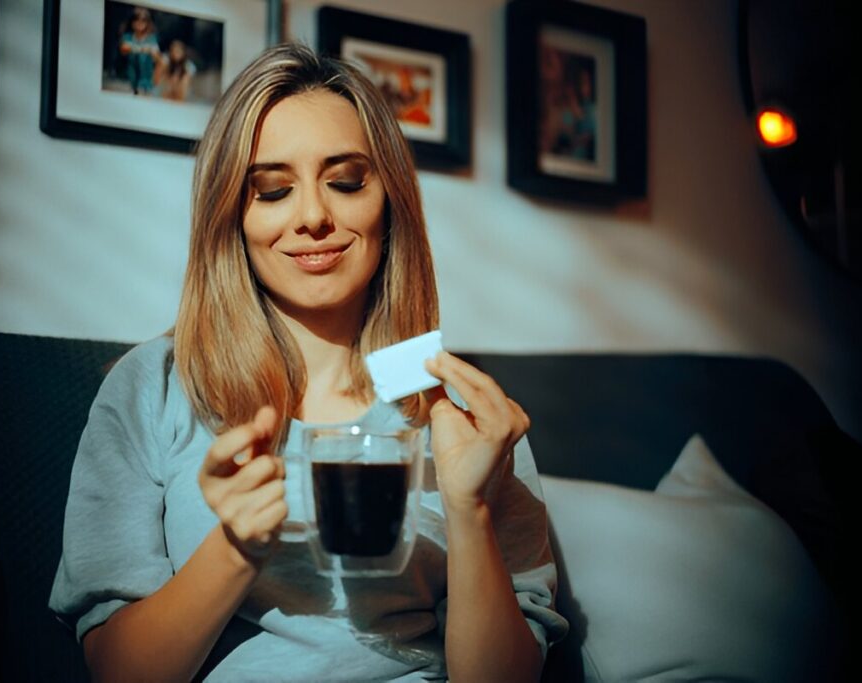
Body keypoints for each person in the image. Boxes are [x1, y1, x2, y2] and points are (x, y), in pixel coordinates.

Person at [49, 43, 569, 681]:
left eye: (346, 181)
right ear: (231, 216)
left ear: (389, 203)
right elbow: (118, 673)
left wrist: (470, 511)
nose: (314, 216)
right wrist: (237, 549)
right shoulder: (153, 387)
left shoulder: (461, 411)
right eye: (271, 190)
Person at [119, 6, 161, 95]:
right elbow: (124, 49)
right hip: (129, 75)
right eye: (136, 20)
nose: (139, 23)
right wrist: (143, 49)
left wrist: (152, 52)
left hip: (146, 77)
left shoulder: (151, 38)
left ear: (147, 23)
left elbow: (157, 57)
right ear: (132, 22)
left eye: (143, 20)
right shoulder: (128, 37)